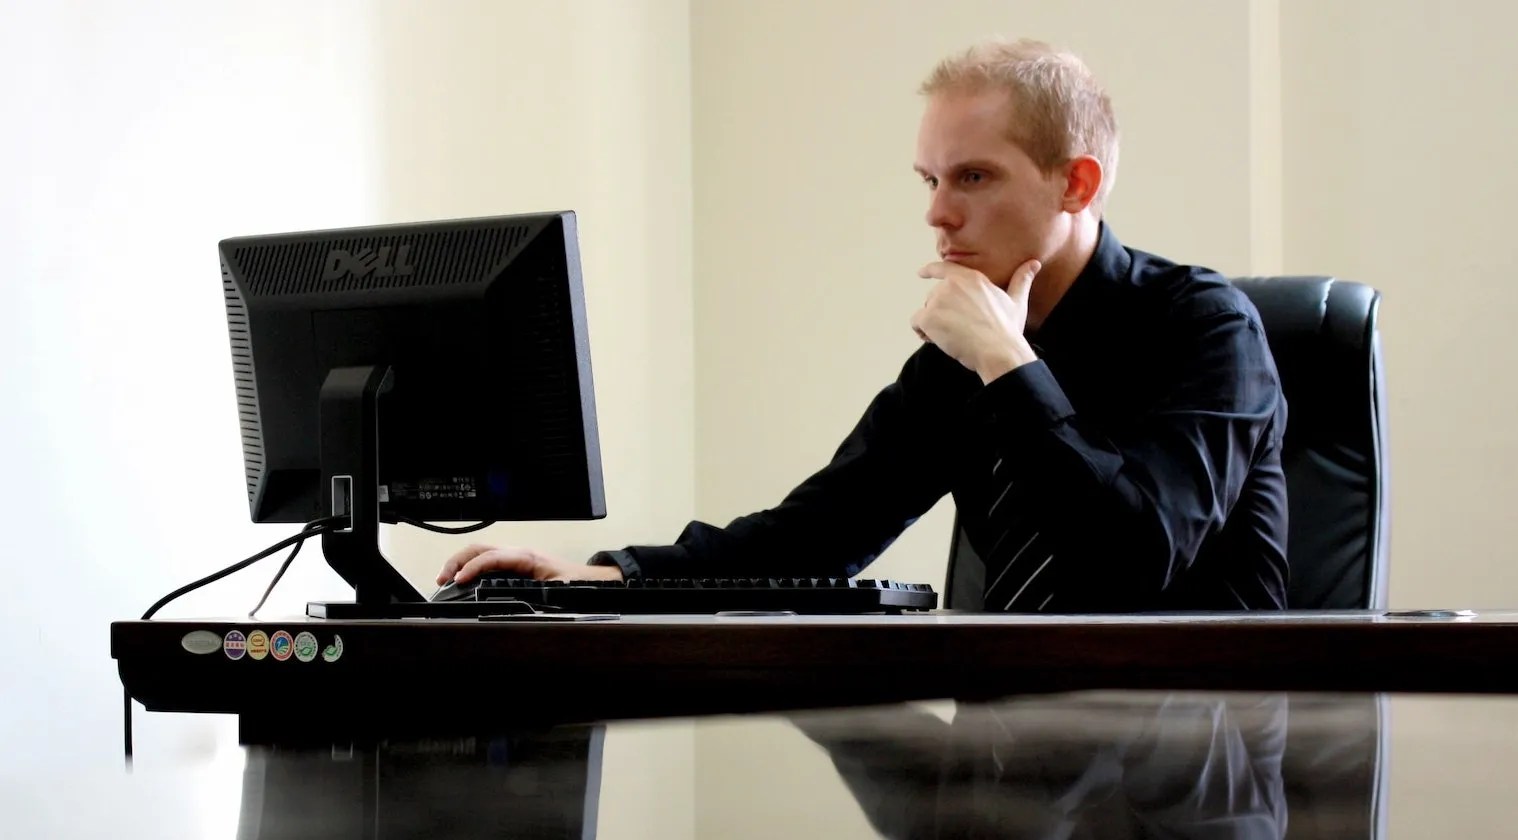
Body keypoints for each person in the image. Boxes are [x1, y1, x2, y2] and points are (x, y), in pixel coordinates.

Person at [438, 38, 1289, 613]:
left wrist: (1006, 362)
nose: (938, 215)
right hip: (1014, 760)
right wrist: (603, 577)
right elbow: (814, 538)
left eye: (974, 177)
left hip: (1189, 760)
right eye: (929, 179)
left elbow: (1134, 559)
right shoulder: (963, 357)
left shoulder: (1207, 329)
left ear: (1076, 184)